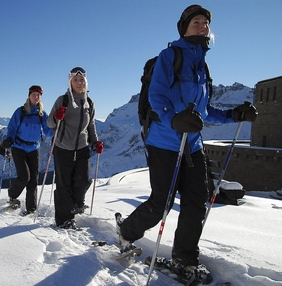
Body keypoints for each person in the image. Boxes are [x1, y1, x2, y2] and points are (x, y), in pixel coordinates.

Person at [115, 4, 258, 283]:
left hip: (193, 145)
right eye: (196, 22)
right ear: (184, 27)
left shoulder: (202, 64)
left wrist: (232, 114)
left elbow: (203, 109)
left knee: (196, 203)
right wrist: (172, 120)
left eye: (205, 22)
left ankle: (184, 258)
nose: (202, 26)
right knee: (162, 204)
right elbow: (157, 96)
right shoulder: (170, 56)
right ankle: (126, 232)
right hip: (164, 142)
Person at [47, 67, 104, 229]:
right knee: (64, 185)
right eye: (76, 80)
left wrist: (95, 142)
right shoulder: (62, 100)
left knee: (84, 180)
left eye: (82, 80)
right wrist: (57, 116)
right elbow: (50, 123)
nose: (79, 83)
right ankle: (64, 219)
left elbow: (91, 125)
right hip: (63, 148)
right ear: (70, 82)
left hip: (82, 148)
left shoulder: (89, 102)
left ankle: (76, 203)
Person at [1, 85, 53, 216]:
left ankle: (31, 209)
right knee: (25, 177)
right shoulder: (21, 111)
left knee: (33, 180)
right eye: (34, 94)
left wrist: (57, 126)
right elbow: (12, 127)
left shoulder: (41, 114)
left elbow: (48, 131)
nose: (36, 97)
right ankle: (12, 195)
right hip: (19, 147)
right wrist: (9, 139)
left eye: (38, 95)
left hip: (34, 148)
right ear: (29, 96)